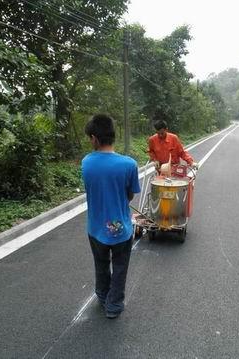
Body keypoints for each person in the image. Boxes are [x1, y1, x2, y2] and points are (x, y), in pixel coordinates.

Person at [82, 114, 141, 319]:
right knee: (120, 266)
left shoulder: (86, 163)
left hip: (95, 229)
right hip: (121, 229)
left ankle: (102, 294)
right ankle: (114, 305)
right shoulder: (129, 164)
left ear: (95, 139)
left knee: (100, 264)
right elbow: (130, 194)